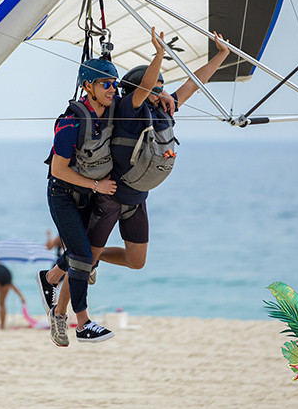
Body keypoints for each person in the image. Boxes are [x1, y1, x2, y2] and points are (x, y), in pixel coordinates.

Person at [88, 27, 232, 271]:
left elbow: (194, 83)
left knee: (136, 261)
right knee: (84, 259)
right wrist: (159, 54)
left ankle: (93, 257)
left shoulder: (165, 109)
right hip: (112, 194)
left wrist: (222, 55)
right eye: (156, 88)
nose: (160, 92)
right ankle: (66, 292)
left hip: (137, 198)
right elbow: (145, 86)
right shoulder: (128, 108)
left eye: (162, 88)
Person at [35, 57, 120, 346]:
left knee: (81, 256)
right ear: (87, 86)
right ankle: (82, 322)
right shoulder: (70, 122)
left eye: (114, 84)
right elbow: (58, 169)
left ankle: (50, 279)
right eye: (105, 84)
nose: (112, 89)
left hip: (86, 195)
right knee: (83, 257)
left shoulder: (111, 109)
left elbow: (143, 92)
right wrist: (97, 184)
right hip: (62, 196)